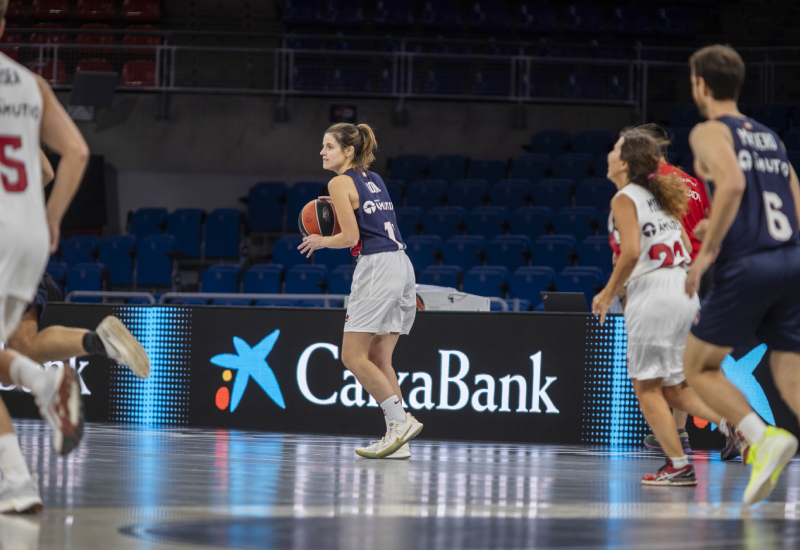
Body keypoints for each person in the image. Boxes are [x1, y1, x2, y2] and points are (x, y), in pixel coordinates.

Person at [682, 44, 800, 506]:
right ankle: (769, 436)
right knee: (789, 371)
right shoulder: (771, 137)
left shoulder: (709, 131)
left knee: (697, 367)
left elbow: (730, 183)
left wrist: (707, 251)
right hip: (790, 258)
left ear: (702, 84)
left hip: (750, 263)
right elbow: (792, 197)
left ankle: (761, 436)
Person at [593, 129, 729, 486]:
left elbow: (632, 253)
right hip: (686, 286)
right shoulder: (665, 193)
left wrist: (609, 293)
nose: (609, 153)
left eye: (616, 148)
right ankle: (737, 425)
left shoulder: (626, 198)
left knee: (647, 387)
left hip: (655, 293)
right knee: (676, 385)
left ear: (626, 162)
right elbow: (686, 239)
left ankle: (679, 464)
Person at [0, 0, 90, 511]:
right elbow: (74, 154)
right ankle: (16, 482)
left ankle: (45, 381)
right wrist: (52, 219)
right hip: (28, 235)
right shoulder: (29, 83)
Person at [298, 123, 423, 459]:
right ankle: (399, 442)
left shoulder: (338, 182)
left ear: (348, 151)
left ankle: (400, 421)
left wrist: (321, 240)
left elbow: (351, 238)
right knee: (381, 359)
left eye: (328, 146)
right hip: (402, 265)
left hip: (377, 268)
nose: (322, 152)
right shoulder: (374, 178)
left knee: (352, 356)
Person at [630, 124, 742, 459]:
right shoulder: (693, 183)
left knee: (680, 358)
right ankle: (680, 433)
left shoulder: (651, 180)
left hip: (679, 273)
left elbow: (671, 229)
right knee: (686, 356)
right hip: (705, 270)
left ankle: (737, 424)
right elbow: (711, 226)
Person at [7, 153, 151, 378]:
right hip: (20, 246)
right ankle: (100, 342)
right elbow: (47, 171)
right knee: (23, 346)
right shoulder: (16, 132)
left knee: (18, 352)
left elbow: (73, 151)